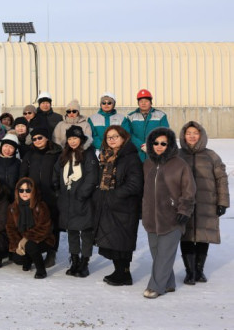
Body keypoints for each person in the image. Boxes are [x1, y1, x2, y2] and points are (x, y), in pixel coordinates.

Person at [141, 128, 195, 299]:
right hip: (151, 219)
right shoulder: (148, 164)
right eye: (155, 143)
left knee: (164, 254)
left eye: (163, 143)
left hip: (172, 218)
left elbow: (189, 190)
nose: (159, 146)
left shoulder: (180, 165)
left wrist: (184, 210)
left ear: (170, 144)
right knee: (157, 253)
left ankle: (155, 286)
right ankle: (169, 283)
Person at [178, 121, 229, 284]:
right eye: (188, 133)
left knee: (202, 236)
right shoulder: (177, 155)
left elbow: (221, 179)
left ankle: (199, 270)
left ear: (201, 135)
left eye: (195, 133)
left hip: (207, 202)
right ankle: (189, 272)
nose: (192, 136)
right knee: (185, 236)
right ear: (183, 136)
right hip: (184, 204)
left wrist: (222, 202)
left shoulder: (211, 156)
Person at [92, 125, 144, 286]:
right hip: (108, 204)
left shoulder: (130, 157)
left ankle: (124, 273)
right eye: (109, 137)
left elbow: (135, 184)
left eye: (115, 136)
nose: (112, 140)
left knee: (122, 241)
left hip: (125, 206)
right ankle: (119, 271)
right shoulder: (105, 156)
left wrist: (114, 195)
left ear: (123, 138)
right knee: (113, 241)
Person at [52, 125, 98, 277]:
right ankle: (75, 260)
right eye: (70, 138)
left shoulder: (88, 154)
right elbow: (56, 172)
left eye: (75, 138)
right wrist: (57, 190)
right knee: (72, 231)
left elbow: (92, 177)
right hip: (66, 200)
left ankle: (85, 262)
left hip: (82, 200)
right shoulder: (64, 154)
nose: (72, 142)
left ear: (81, 139)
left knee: (85, 232)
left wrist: (82, 194)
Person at [19, 127, 62, 268]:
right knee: (34, 223)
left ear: (47, 138)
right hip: (34, 196)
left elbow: (61, 173)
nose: (37, 141)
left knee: (52, 225)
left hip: (51, 195)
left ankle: (51, 252)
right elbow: (23, 174)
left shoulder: (56, 153)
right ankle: (34, 250)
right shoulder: (29, 154)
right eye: (34, 138)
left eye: (40, 137)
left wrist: (57, 190)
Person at [7, 178, 56, 279]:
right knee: (17, 259)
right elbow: (10, 228)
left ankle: (41, 270)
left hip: (43, 239)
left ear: (33, 191)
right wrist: (17, 244)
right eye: (21, 190)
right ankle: (28, 259)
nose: (24, 193)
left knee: (30, 245)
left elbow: (44, 227)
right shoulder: (13, 207)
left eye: (28, 190)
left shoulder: (40, 206)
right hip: (22, 240)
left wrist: (26, 239)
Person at [123, 89, 170, 162]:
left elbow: (164, 133)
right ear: (138, 103)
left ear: (151, 102)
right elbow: (128, 134)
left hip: (155, 153)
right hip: (137, 154)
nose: (143, 103)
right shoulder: (131, 116)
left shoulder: (161, 115)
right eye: (141, 101)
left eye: (146, 101)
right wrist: (141, 145)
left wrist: (151, 145)